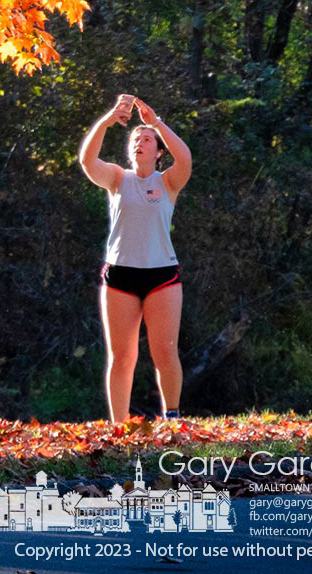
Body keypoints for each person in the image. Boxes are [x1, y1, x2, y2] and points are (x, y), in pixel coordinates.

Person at [78, 94, 193, 422]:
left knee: (165, 352)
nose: (140, 143)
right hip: (120, 276)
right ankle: (119, 426)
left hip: (163, 276)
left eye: (146, 140)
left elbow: (184, 159)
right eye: (135, 139)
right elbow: (88, 160)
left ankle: (172, 418)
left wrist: (156, 123)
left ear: (158, 152)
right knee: (122, 357)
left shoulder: (167, 181)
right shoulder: (117, 179)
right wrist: (108, 119)